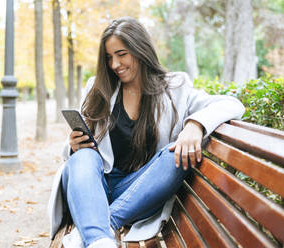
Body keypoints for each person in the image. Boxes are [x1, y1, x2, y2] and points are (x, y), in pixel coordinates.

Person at [48, 17, 245, 248]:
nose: (115, 65)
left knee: (175, 155)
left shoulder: (174, 87)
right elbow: (73, 161)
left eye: (122, 54)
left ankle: (99, 230)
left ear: (139, 49)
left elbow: (232, 104)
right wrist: (73, 146)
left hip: (140, 192)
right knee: (83, 157)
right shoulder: (98, 87)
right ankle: (100, 237)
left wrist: (195, 125)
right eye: (109, 57)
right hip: (94, 186)